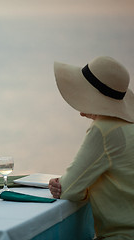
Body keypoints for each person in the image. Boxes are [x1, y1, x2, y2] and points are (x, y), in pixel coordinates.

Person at [49, 56, 134, 239]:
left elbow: (69, 189)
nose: (80, 112)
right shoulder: (129, 127)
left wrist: (63, 186)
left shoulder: (104, 130)